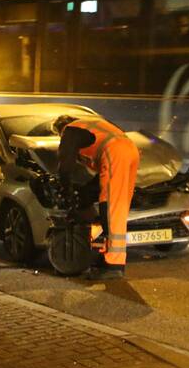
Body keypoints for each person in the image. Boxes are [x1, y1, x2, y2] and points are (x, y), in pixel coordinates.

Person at [54, 114, 139, 281]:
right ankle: (110, 257)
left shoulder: (70, 131)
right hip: (131, 150)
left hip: (115, 152)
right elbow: (99, 175)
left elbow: (66, 165)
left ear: (60, 129)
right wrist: (86, 193)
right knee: (119, 208)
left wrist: (66, 191)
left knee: (110, 209)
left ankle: (114, 266)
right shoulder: (92, 125)